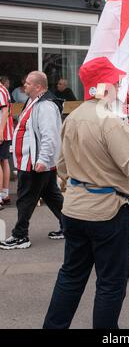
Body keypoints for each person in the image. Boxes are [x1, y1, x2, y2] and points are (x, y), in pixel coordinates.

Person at [43, 57, 129, 329]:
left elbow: (62, 165)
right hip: (108, 211)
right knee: (110, 283)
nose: (118, 86)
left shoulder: (73, 117)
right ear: (104, 87)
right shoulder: (111, 120)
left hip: (75, 209)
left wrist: (78, 185)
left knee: (70, 277)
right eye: (115, 83)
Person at [0, 71, 64, 249]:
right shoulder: (35, 101)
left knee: (25, 199)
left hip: (35, 163)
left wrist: (43, 159)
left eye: (27, 83)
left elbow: (49, 135)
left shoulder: (45, 106)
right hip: (33, 162)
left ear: (38, 86)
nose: (24, 85)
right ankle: (70, 227)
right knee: (52, 197)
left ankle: (20, 235)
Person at [0, 76, 14, 210]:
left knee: (2, 161)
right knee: (4, 161)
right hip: (6, 131)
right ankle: (4, 194)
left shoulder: (0, 90)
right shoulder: (4, 89)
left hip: (2, 131)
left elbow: (4, 111)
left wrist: (0, 131)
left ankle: (0, 196)